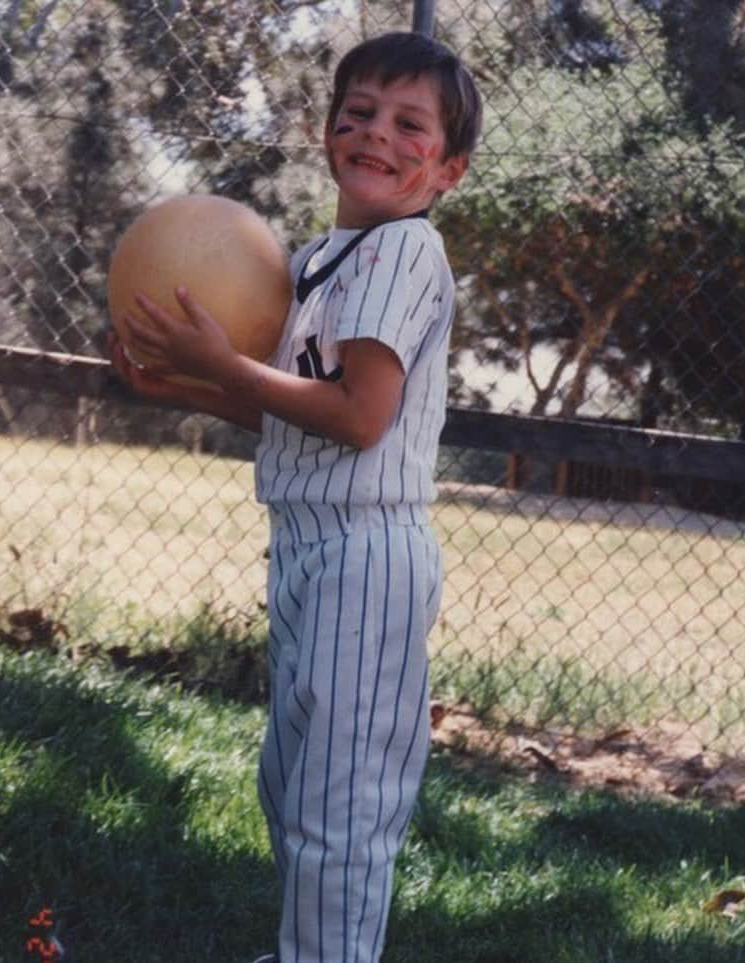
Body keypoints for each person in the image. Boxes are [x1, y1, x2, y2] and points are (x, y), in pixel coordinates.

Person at [110, 30, 482, 963]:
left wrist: (223, 362)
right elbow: (294, 415)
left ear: (448, 169)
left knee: (340, 799)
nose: (376, 134)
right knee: (292, 783)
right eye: (357, 112)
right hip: (308, 544)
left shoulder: (403, 253)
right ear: (326, 130)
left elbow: (359, 417)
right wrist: (186, 386)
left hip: (368, 551)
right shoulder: (316, 261)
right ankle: (313, 947)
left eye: (409, 124)